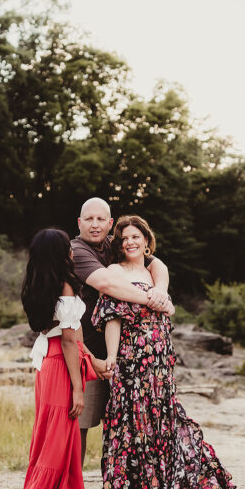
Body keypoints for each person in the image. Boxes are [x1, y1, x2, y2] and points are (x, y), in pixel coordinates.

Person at [93, 215, 235, 489]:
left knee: (160, 426)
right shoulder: (115, 273)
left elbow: (166, 311)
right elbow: (112, 318)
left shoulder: (155, 271)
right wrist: (112, 357)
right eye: (124, 237)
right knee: (134, 429)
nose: (130, 242)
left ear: (146, 240)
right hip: (132, 362)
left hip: (160, 362)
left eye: (135, 237)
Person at [5, 228, 110, 489]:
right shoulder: (64, 286)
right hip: (61, 370)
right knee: (55, 450)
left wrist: (92, 359)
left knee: (62, 450)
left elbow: (71, 338)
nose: (71, 252)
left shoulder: (41, 286)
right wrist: (79, 390)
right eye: (67, 248)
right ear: (59, 253)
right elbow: (67, 342)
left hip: (50, 366)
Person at [71, 198, 173, 468]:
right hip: (89, 350)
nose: (95, 225)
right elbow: (106, 283)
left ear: (110, 223)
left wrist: (160, 289)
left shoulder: (115, 246)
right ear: (79, 222)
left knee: (128, 424)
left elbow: (154, 263)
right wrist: (152, 299)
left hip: (129, 357)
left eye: (101, 219)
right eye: (89, 219)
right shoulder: (76, 249)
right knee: (81, 424)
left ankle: (131, 486)